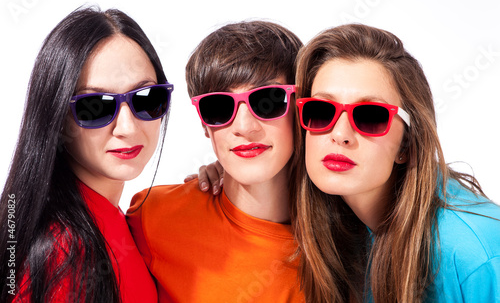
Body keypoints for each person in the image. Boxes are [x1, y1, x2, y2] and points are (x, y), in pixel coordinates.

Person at [293, 23, 500, 302]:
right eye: (321, 111)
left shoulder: (477, 251)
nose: (340, 135)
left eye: (370, 116)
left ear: (406, 143)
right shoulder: (335, 229)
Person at [0, 6, 174, 302]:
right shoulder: (63, 253)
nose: (128, 128)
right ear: (57, 117)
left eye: (146, 98)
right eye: (96, 107)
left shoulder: (114, 220)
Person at [127, 20, 305, 302]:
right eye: (219, 107)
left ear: (299, 107)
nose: (245, 127)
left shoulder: (339, 240)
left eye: (268, 101)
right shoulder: (153, 217)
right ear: (204, 123)